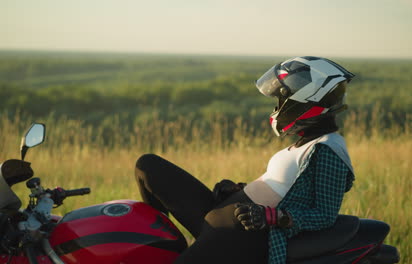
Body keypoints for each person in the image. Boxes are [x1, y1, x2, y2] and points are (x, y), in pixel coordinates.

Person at [134, 56, 355, 264]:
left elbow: (325, 215)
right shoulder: (307, 142)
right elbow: (281, 187)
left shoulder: (328, 149)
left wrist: (271, 217)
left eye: (282, 99)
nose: (278, 107)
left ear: (305, 101)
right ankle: (155, 241)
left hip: (243, 235)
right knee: (147, 166)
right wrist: (239, 189)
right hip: (221, 216)